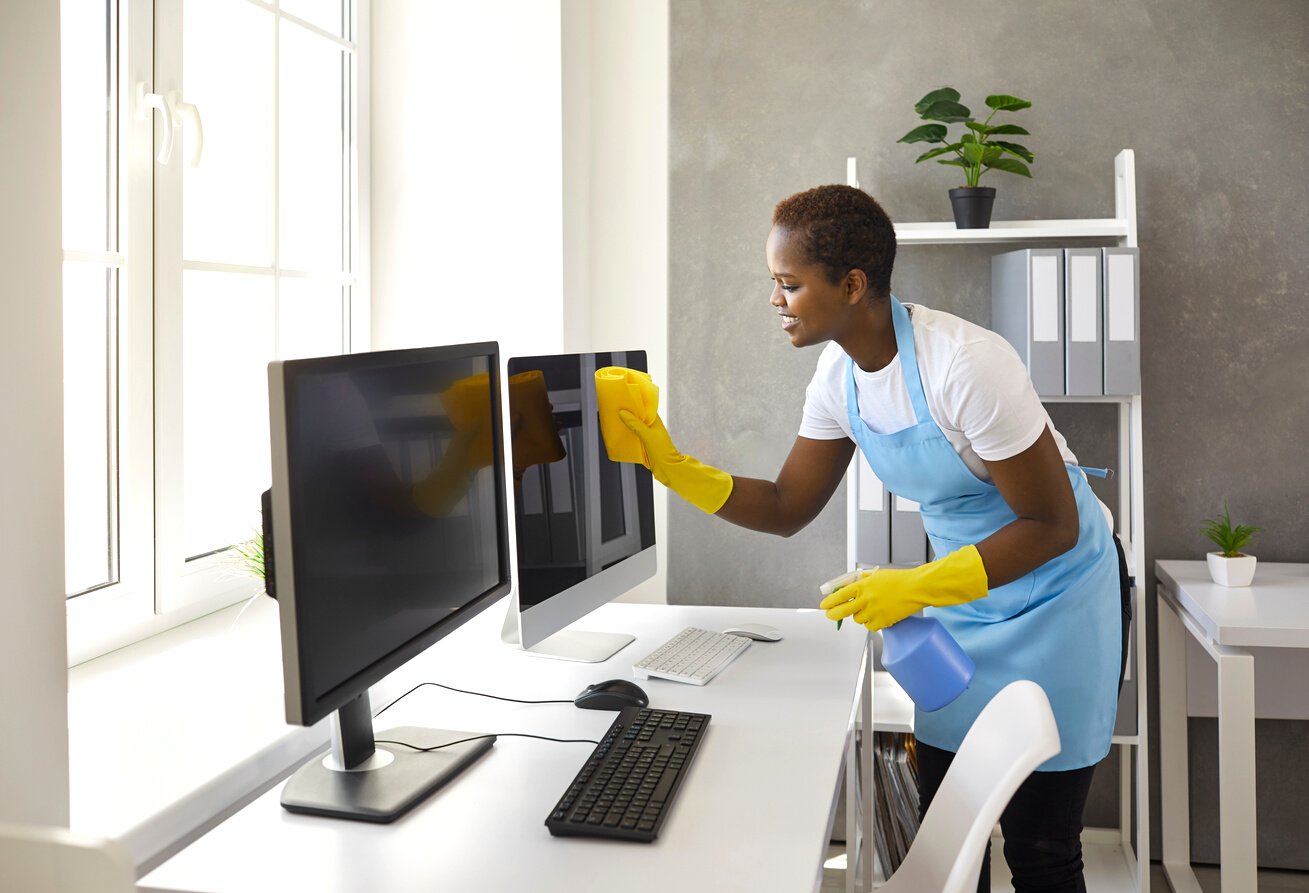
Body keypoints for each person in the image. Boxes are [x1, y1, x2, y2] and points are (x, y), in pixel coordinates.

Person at [602, 184, 1128, 893]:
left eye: (788, 284)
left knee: (1040, 846)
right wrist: (669, 465)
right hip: (964, 603)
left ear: (851, 284)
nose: (774, 300)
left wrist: (914, 584)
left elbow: (1051, 525)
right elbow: (789, 504)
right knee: (952, 830)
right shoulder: (837, 376)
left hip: (1059, 595)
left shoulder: (965, 364)